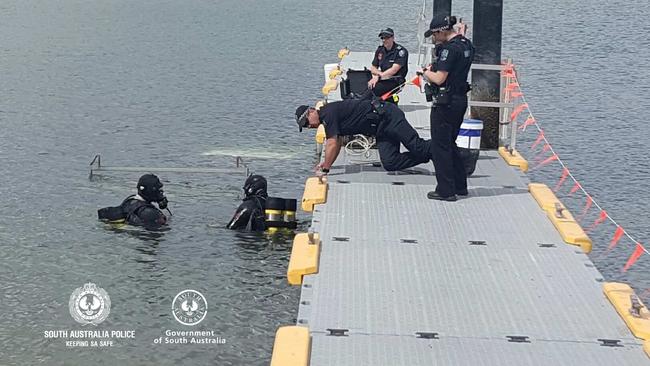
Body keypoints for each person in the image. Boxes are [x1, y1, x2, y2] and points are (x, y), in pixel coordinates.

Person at [295, 99, 430, 174]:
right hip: (380, 130)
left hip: (389, 117)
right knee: (390, 163)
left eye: (306, 123)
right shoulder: (327, 119)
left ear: (311, 111)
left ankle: (442, 148)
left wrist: (326, 169)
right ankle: (431, 153)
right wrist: (327, 163)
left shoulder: (328, 114)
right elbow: (338, 141)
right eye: (305, 126)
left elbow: (332, 143)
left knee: (417, 146)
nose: (309, 126)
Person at [421, 15, 475, 201]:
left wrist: (425, 72)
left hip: (446, 102)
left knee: (440, 146)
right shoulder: (466, 45)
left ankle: (445, 190)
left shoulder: (449, 51)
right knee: (451, 144)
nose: (434, 39)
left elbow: (439, 78)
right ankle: (460, 185)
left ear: (442, 31)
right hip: (460, 100)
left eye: (435, 35)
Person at [97, 174, 168, 229]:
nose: (161, 192)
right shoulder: (150, 213)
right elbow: (157, 233)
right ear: (150, 191)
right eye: (158, 190)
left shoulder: (130, 201)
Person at [368, 28, 409, 101]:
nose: (384, 40)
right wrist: (380, 75)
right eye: (382, 38)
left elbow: (393, 70)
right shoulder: (380, 50)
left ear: (393, 38)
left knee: (374, 88)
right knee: (365, 84)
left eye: (387, 38)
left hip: (395, 80)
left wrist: (378, 77)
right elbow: (373, 68)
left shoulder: (401, 52)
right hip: (383, 78)